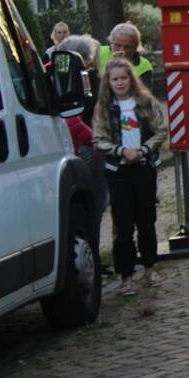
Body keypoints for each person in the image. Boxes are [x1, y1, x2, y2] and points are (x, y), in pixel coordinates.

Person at [93, 58, 167, 296]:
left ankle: (150, 267)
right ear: (109, 82)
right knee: (122, 224)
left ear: (131, 79)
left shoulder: (145, 103)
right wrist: (120, 151)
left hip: (144, 167)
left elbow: (160, 130)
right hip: (118, 172)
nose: (120, 83)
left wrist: (144, 150)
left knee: (146, 219)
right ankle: (125, 276)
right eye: (115, 79)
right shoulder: (104, 108)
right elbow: (98, 139)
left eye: (124, 78)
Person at [56, 34, 112, 275]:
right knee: (96, 202)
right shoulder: (86, 81)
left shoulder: (62, 79)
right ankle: (92, 256)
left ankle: (93, 255)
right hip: (91, 147)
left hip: (84, 145)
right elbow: (76, 123)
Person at [98, 22, 154, 89]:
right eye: (118, 45)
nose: (122, 50)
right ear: (111, 42)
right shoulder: (99, 52)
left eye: (127, 47)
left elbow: (143, 95)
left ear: (135, 47)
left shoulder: (144, 66)